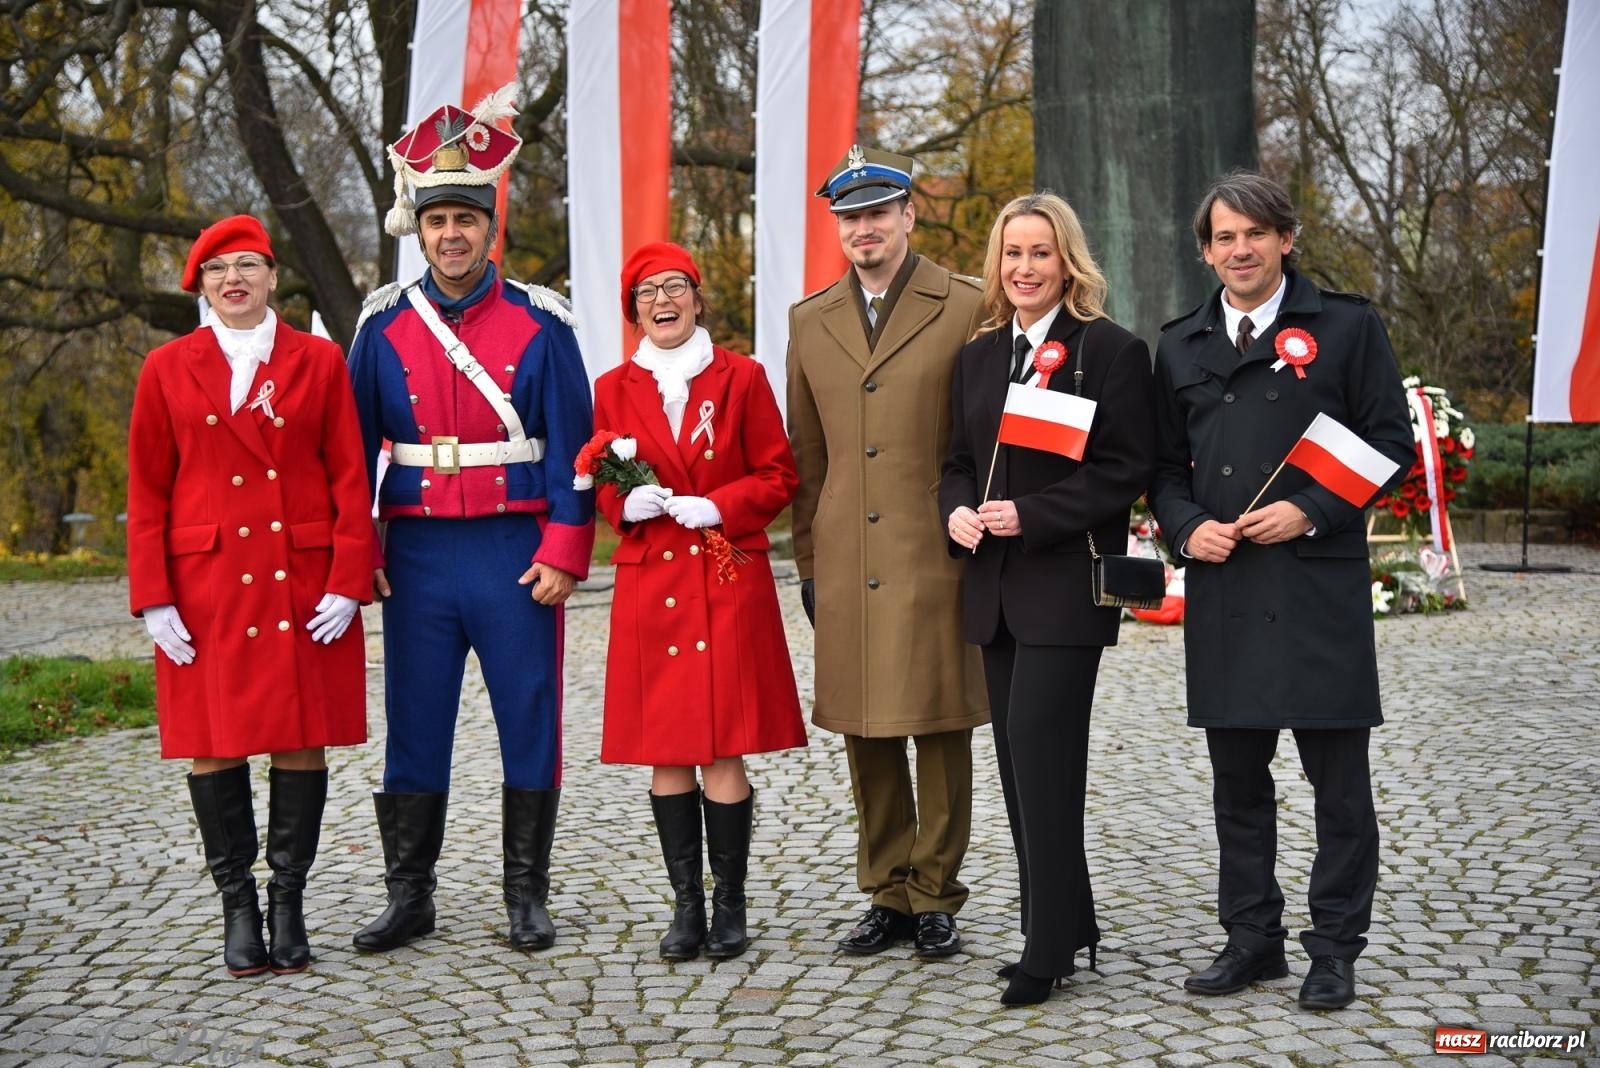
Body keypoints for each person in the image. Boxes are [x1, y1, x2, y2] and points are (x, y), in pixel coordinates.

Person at [1149, 170, 1412, 1011]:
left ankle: (1334, 948)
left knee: (1339, 787)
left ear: (1286, 239)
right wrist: (1186, 525)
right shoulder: (1180, 343)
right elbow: (1158, 468)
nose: (1240, 250)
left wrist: (1310, 511)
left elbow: (1387, 443)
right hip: (1224, 588)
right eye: (1224, 237)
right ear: (1206, 250)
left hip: (1313, 587)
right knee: (1238, 784)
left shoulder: (1346, 326)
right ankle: (1251, 938)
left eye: (1255, 234)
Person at [346, 85, 595, 955]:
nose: (451, 235)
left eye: (466, 220)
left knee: (529, 716)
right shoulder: (379, 326)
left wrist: (566, 548)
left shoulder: (543, 322)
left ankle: (526, 895)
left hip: (514, 552)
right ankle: (409, 896)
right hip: (415, 555)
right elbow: (351, 457)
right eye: (437, 220)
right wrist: (359, 556)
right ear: (417, 229)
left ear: (493, 230)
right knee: (416, 721)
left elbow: (577, 447)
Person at [127, 214, 372, 977]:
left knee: (301, 738)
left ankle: (288, 902)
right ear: (201, 288)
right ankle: (238, 905)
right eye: (217, 271)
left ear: (272, 278)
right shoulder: (167, 367)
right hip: (207, 588)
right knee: (215, 741)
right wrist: (153, 596)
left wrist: (348, 579)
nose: (233, 280)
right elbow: (147, 489)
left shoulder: (318, 360)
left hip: (299, 580)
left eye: (247, 266)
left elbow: (348, 476)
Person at [940, 192, 1156, 1005]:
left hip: (1067, 586)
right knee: (1018, 765)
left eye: (1039, 252)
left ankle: (1047, 949)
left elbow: (1123, 470)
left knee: (1044, 759)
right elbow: (957, 461)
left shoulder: (1109, 351)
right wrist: (954, 510)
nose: (1023, 268)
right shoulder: (979, 356)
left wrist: (1029, 515)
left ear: (1068, 260)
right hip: (992, 589)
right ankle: (1069, 922)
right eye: (1010, 254)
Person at [787, 144, 988, 959]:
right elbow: (808, 457)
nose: (864, 229)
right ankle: (887, 890)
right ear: (838, 228)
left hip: (935, 548)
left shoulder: (968, 305)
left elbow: (986, 440)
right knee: (865, 729)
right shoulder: (809, 319)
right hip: (842, 555)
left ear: (908, 216)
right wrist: (806, 564)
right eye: (850, 217)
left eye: (878, 213)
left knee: (939, 726)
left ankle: (936, 891)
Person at [592, 241, 808, 961]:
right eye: (649, 291)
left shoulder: (741, 377)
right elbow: (597, 481)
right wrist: (629, 499)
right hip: (653, 583)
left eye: (676, 287)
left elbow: (779, 476)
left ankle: (730, 903)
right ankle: (686, 905)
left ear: (697, 298)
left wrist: (716, 506)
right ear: (633, 311)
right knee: (667, 749)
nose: (663, 301)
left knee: (722, 749)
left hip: (723, 576)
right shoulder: (613, 386)